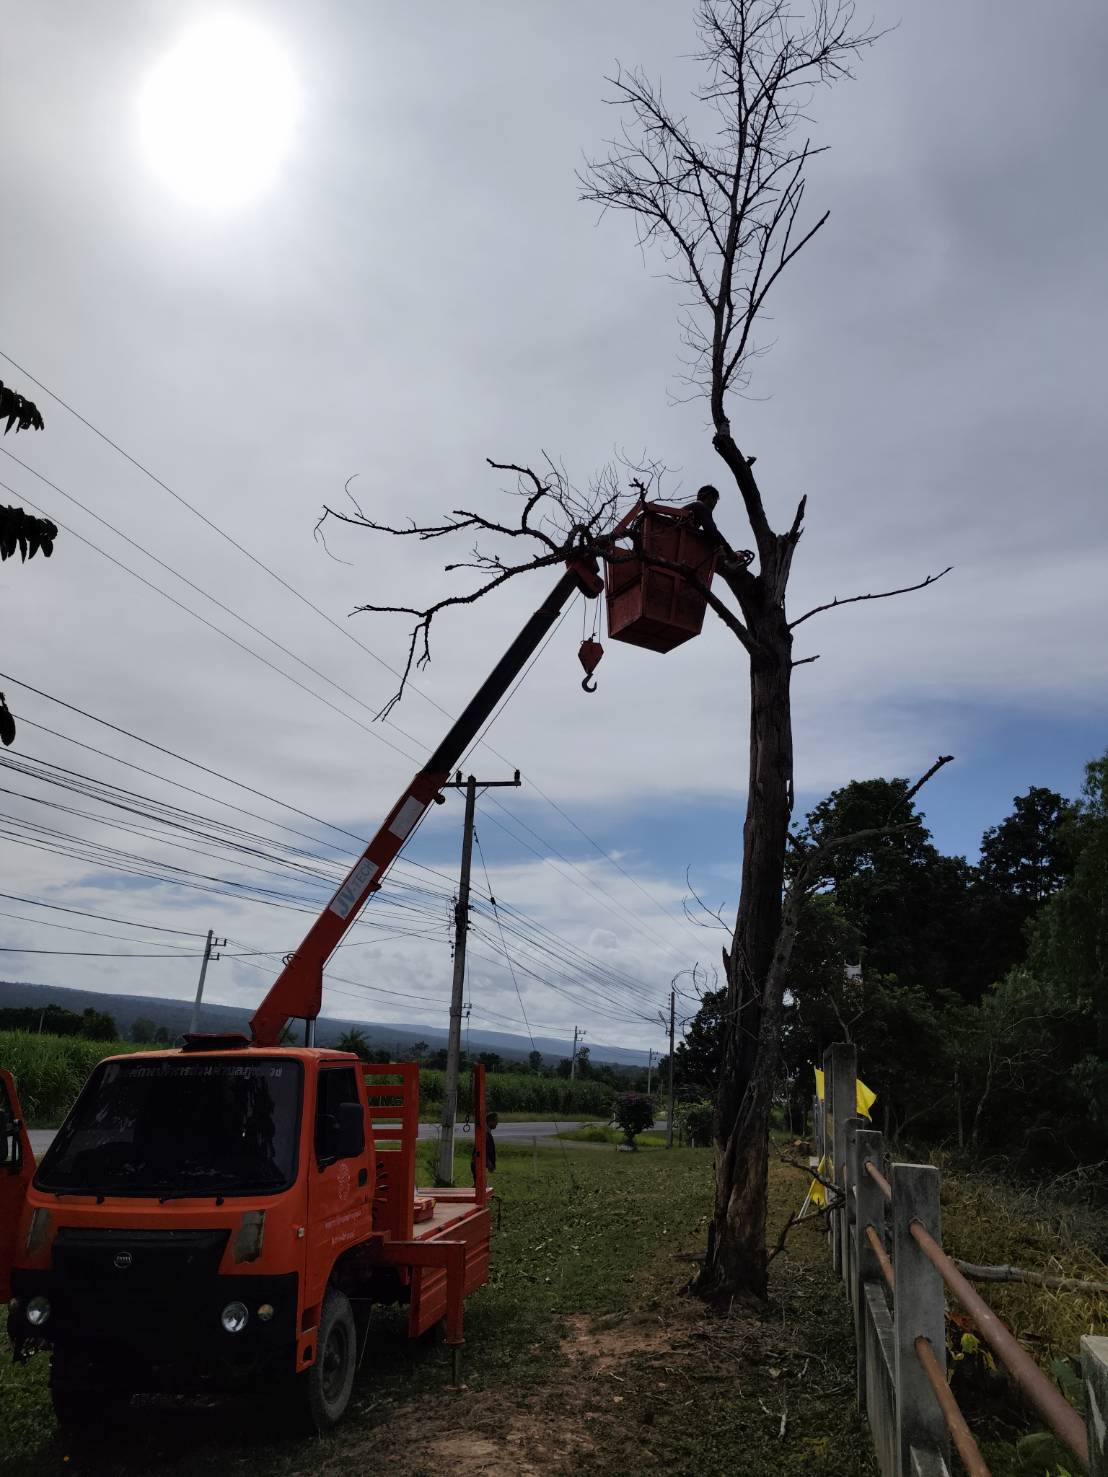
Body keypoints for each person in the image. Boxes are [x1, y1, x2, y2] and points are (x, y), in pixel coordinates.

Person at [471, 1112, 497, 1184]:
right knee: (480, 1187)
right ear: (489, 1122)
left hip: (480, 1164)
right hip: (477, 1164)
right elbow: (482, 1151)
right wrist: (489, 1164)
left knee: (481, 1186)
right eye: (495, 1121)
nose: (497, 1123)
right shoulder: (485, 1134)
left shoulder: (487, 1133)